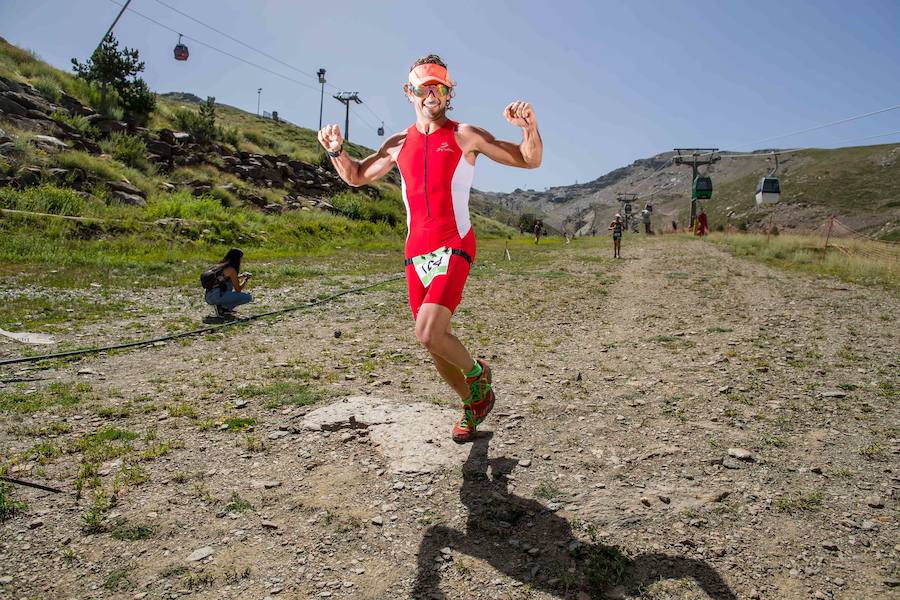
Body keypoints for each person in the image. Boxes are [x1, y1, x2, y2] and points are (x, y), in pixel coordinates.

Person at [318, 54, 542, 443]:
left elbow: (529, 159)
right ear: (409, 92)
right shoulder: (397, 143)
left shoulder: (465, 135)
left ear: (449, 92)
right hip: (415, 252)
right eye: (423, 87)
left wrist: (530, 128)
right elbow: (355, 176)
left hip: (454, 242)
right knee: (436, 343)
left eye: (439, 87)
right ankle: (473, 404)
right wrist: (336, 151)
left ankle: (478, 375)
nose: (431, 94)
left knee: (427, 332)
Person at [204, 248, 252, 317]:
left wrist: (241, 276)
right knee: (248, 297)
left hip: (208, 296)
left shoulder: (220, 266)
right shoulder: (232, 270)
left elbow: (224, 280)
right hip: (216, 297)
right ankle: (224, 308)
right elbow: (238, 289)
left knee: (228, 284)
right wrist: (245, 280)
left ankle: (222, 308)